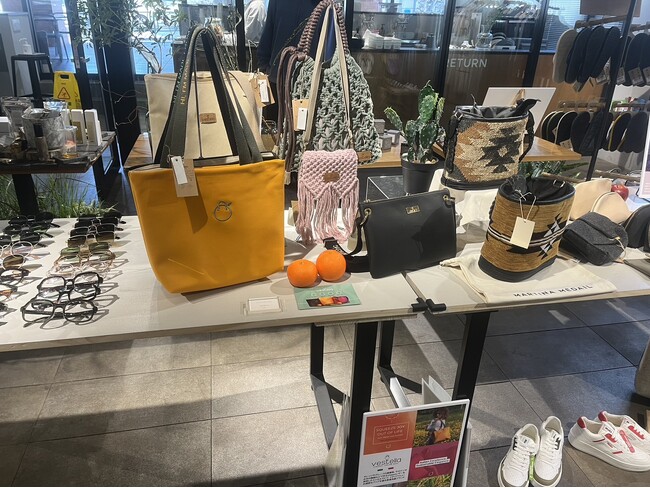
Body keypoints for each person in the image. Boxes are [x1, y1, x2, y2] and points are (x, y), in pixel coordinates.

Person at [257, 0, 320, 122]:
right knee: (297, 128)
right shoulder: (321, 4)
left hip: (294, 81)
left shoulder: (322, 5)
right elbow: (267, 37)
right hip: (294, 81)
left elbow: (266, 38)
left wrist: (264, 68)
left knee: (277, 127)